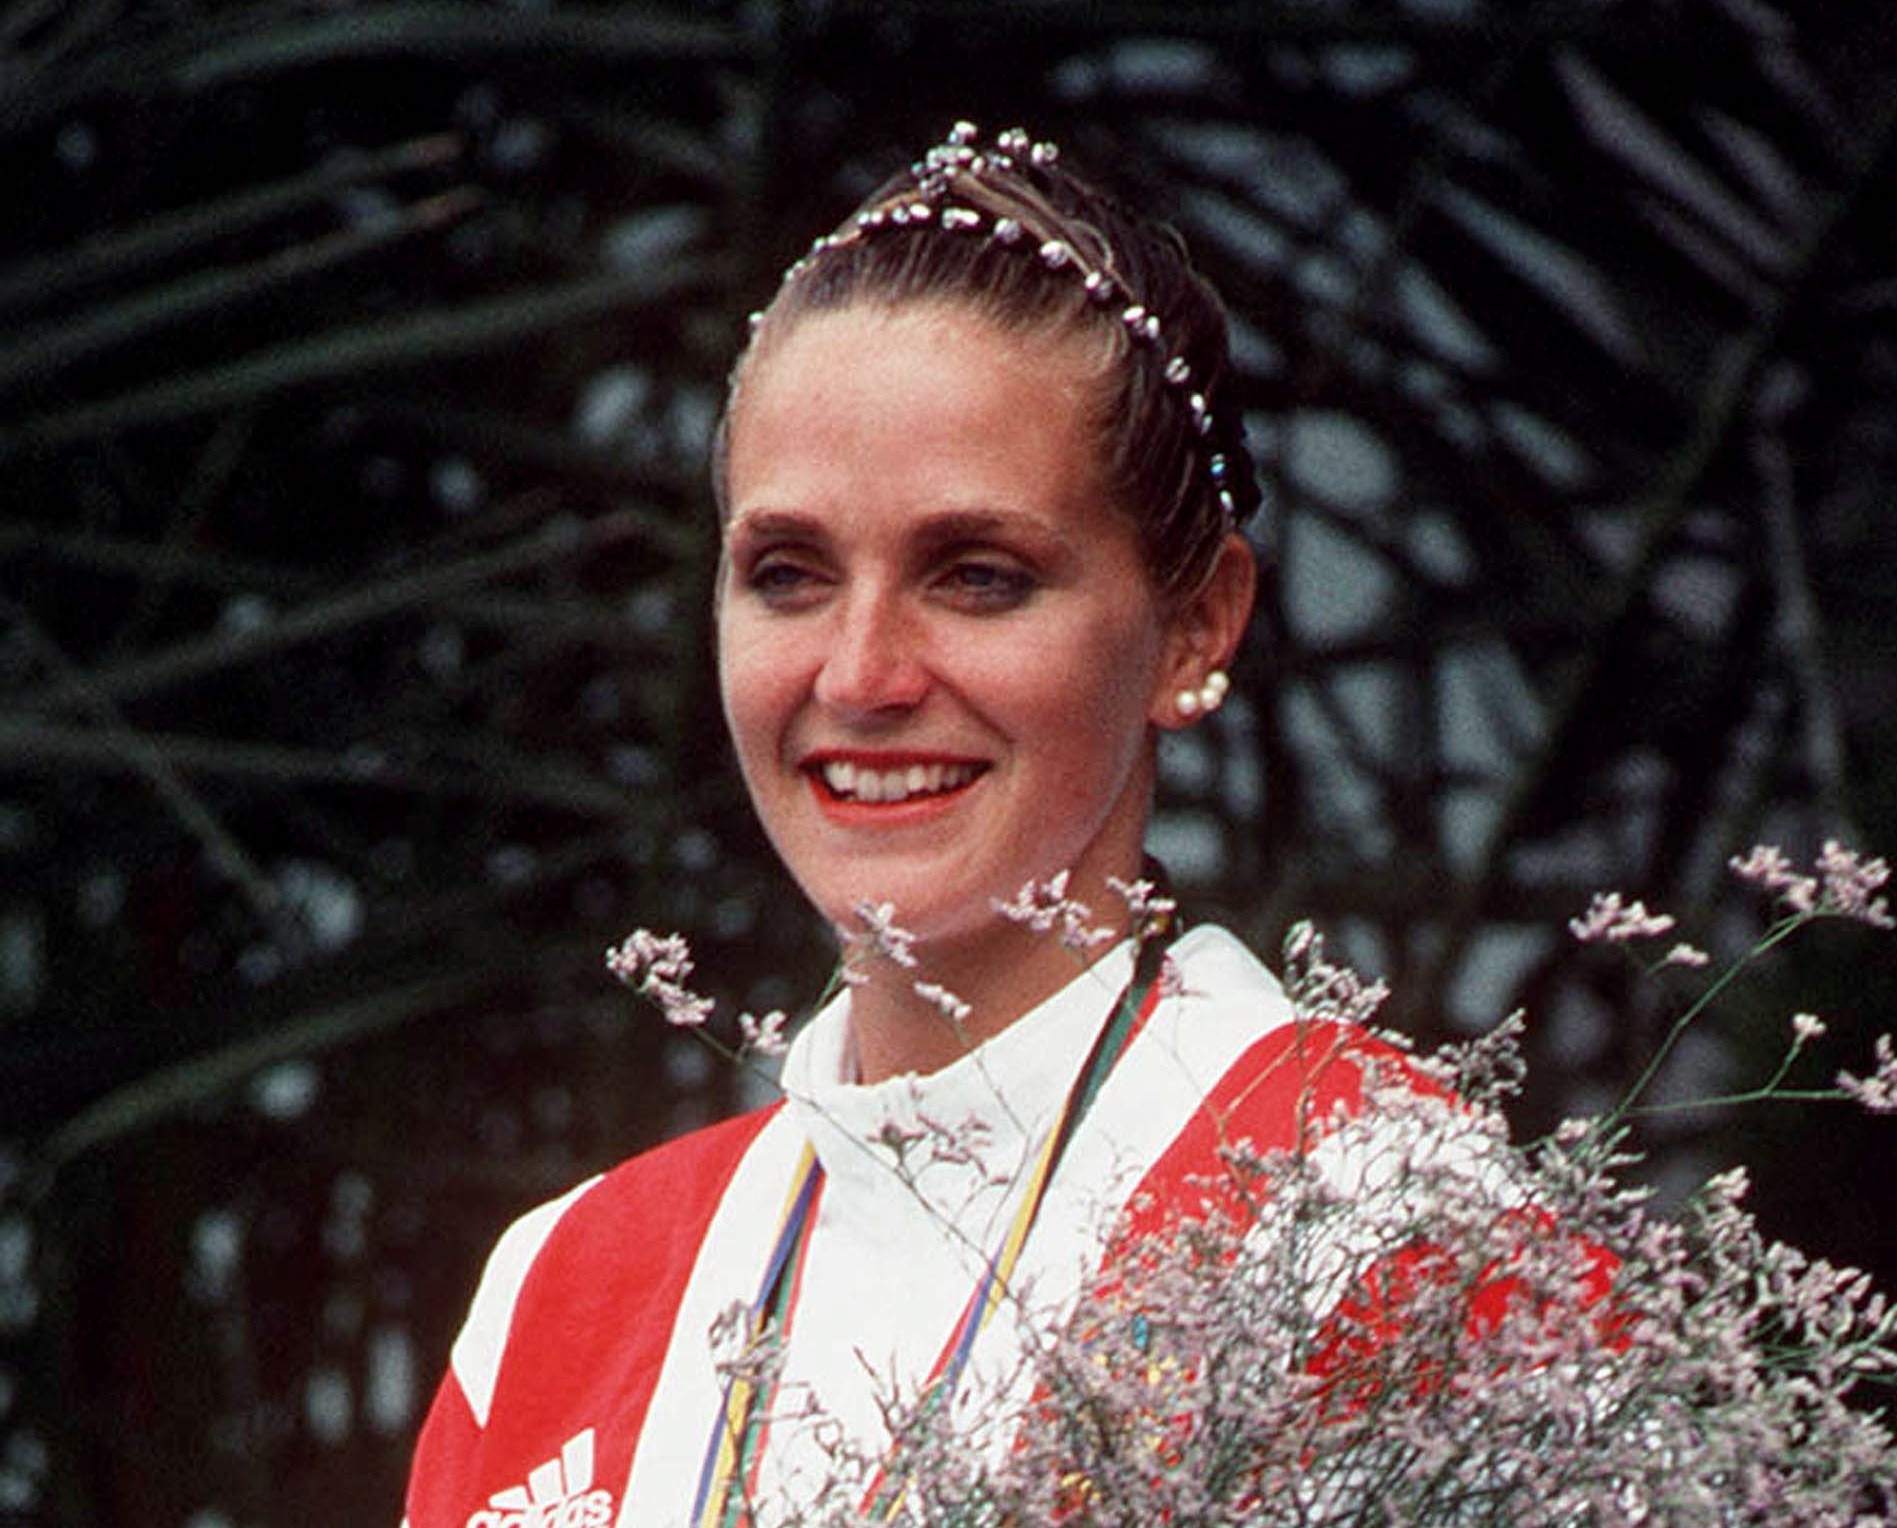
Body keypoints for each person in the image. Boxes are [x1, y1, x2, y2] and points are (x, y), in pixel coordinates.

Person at [402, 122, 1444, 1528]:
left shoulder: (1374, 1226)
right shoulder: (560, 1295)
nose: (859, 675)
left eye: (977, 575)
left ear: (1197, 622)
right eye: (786, 573)